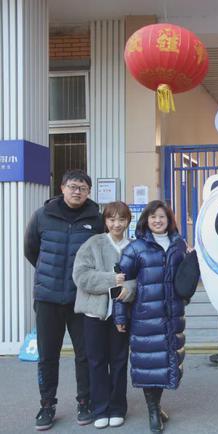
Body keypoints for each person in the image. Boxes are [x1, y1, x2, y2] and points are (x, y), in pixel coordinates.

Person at [24, 169, 103, 431]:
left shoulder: (97, 219)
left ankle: (85, 401)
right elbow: (31, 249)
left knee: (85, 354)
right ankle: (47, 405)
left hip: (81, 298)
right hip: (48, 298)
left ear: (89, 192)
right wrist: (50, 275)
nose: (77, 191)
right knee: (47, 355)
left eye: (82, 187)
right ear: (62, 187)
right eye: (72, 186)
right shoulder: (42, 215)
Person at [113, 200, 188, 433]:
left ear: (169, 220)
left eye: (162, 217)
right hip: (145, 315)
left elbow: (185, 277)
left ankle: (157, 404)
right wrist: (120, 316)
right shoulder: (136, 248)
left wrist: (185, 297)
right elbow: (120, 283)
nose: (158, 220)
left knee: (166, 362)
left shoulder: (179, 245)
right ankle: (153, 410)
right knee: (149, 363)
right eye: (153, 216)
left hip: (172, 314)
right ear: (146, 220)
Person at [72, 201, 135, 429]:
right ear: (105, 221)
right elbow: (80, 276)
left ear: (128, 220)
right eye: (111, 219)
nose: (116, 224)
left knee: (119, 361)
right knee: (96, 362)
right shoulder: (93, 244)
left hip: (121, 316)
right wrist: (112, 280)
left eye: (121, 219)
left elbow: (141, 279)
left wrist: (130, 291)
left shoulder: (134, 247)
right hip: (93, 314)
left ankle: (118, 407)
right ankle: (100, 408)